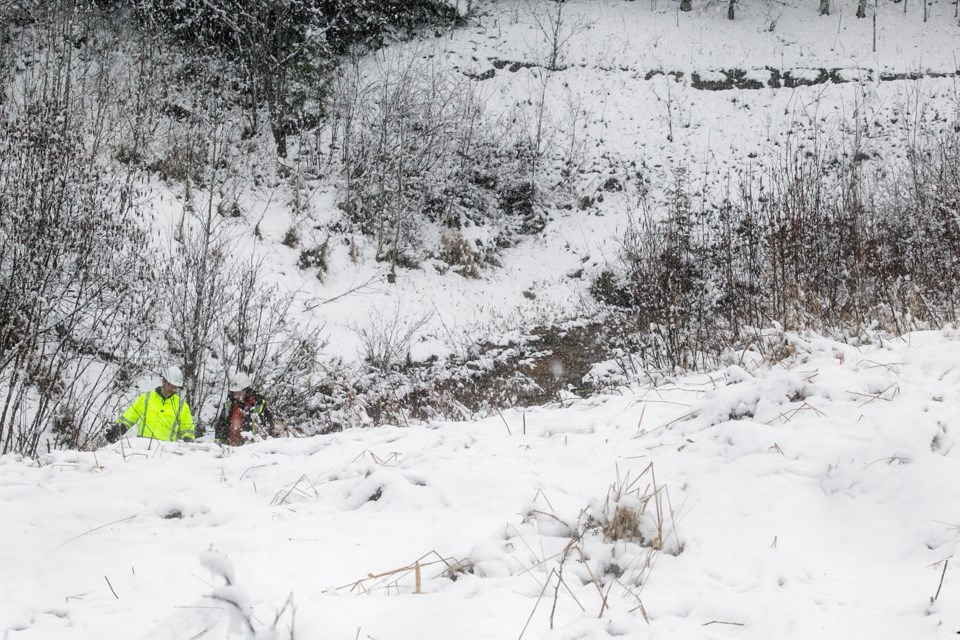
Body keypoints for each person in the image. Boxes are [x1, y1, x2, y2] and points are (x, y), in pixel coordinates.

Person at [108, 365, 196, 443]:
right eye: (169, 385)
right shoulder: (147, 398)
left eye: (174, 387)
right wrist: (117, 429)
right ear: (163, 381)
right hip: (143, 447)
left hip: (166, 451)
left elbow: (187, 429)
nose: (171, 389)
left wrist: (187, 439)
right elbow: (130, 416)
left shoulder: (181, 406)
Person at [213, 372, 275, 446]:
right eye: (234, 393)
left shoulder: (259, 404)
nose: (236, 395)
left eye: (239, 392)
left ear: (246, 390)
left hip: (254, 447)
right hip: (232, 449)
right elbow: (221, 425)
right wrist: (219, 445)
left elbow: (268, 426)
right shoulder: (229, 405)